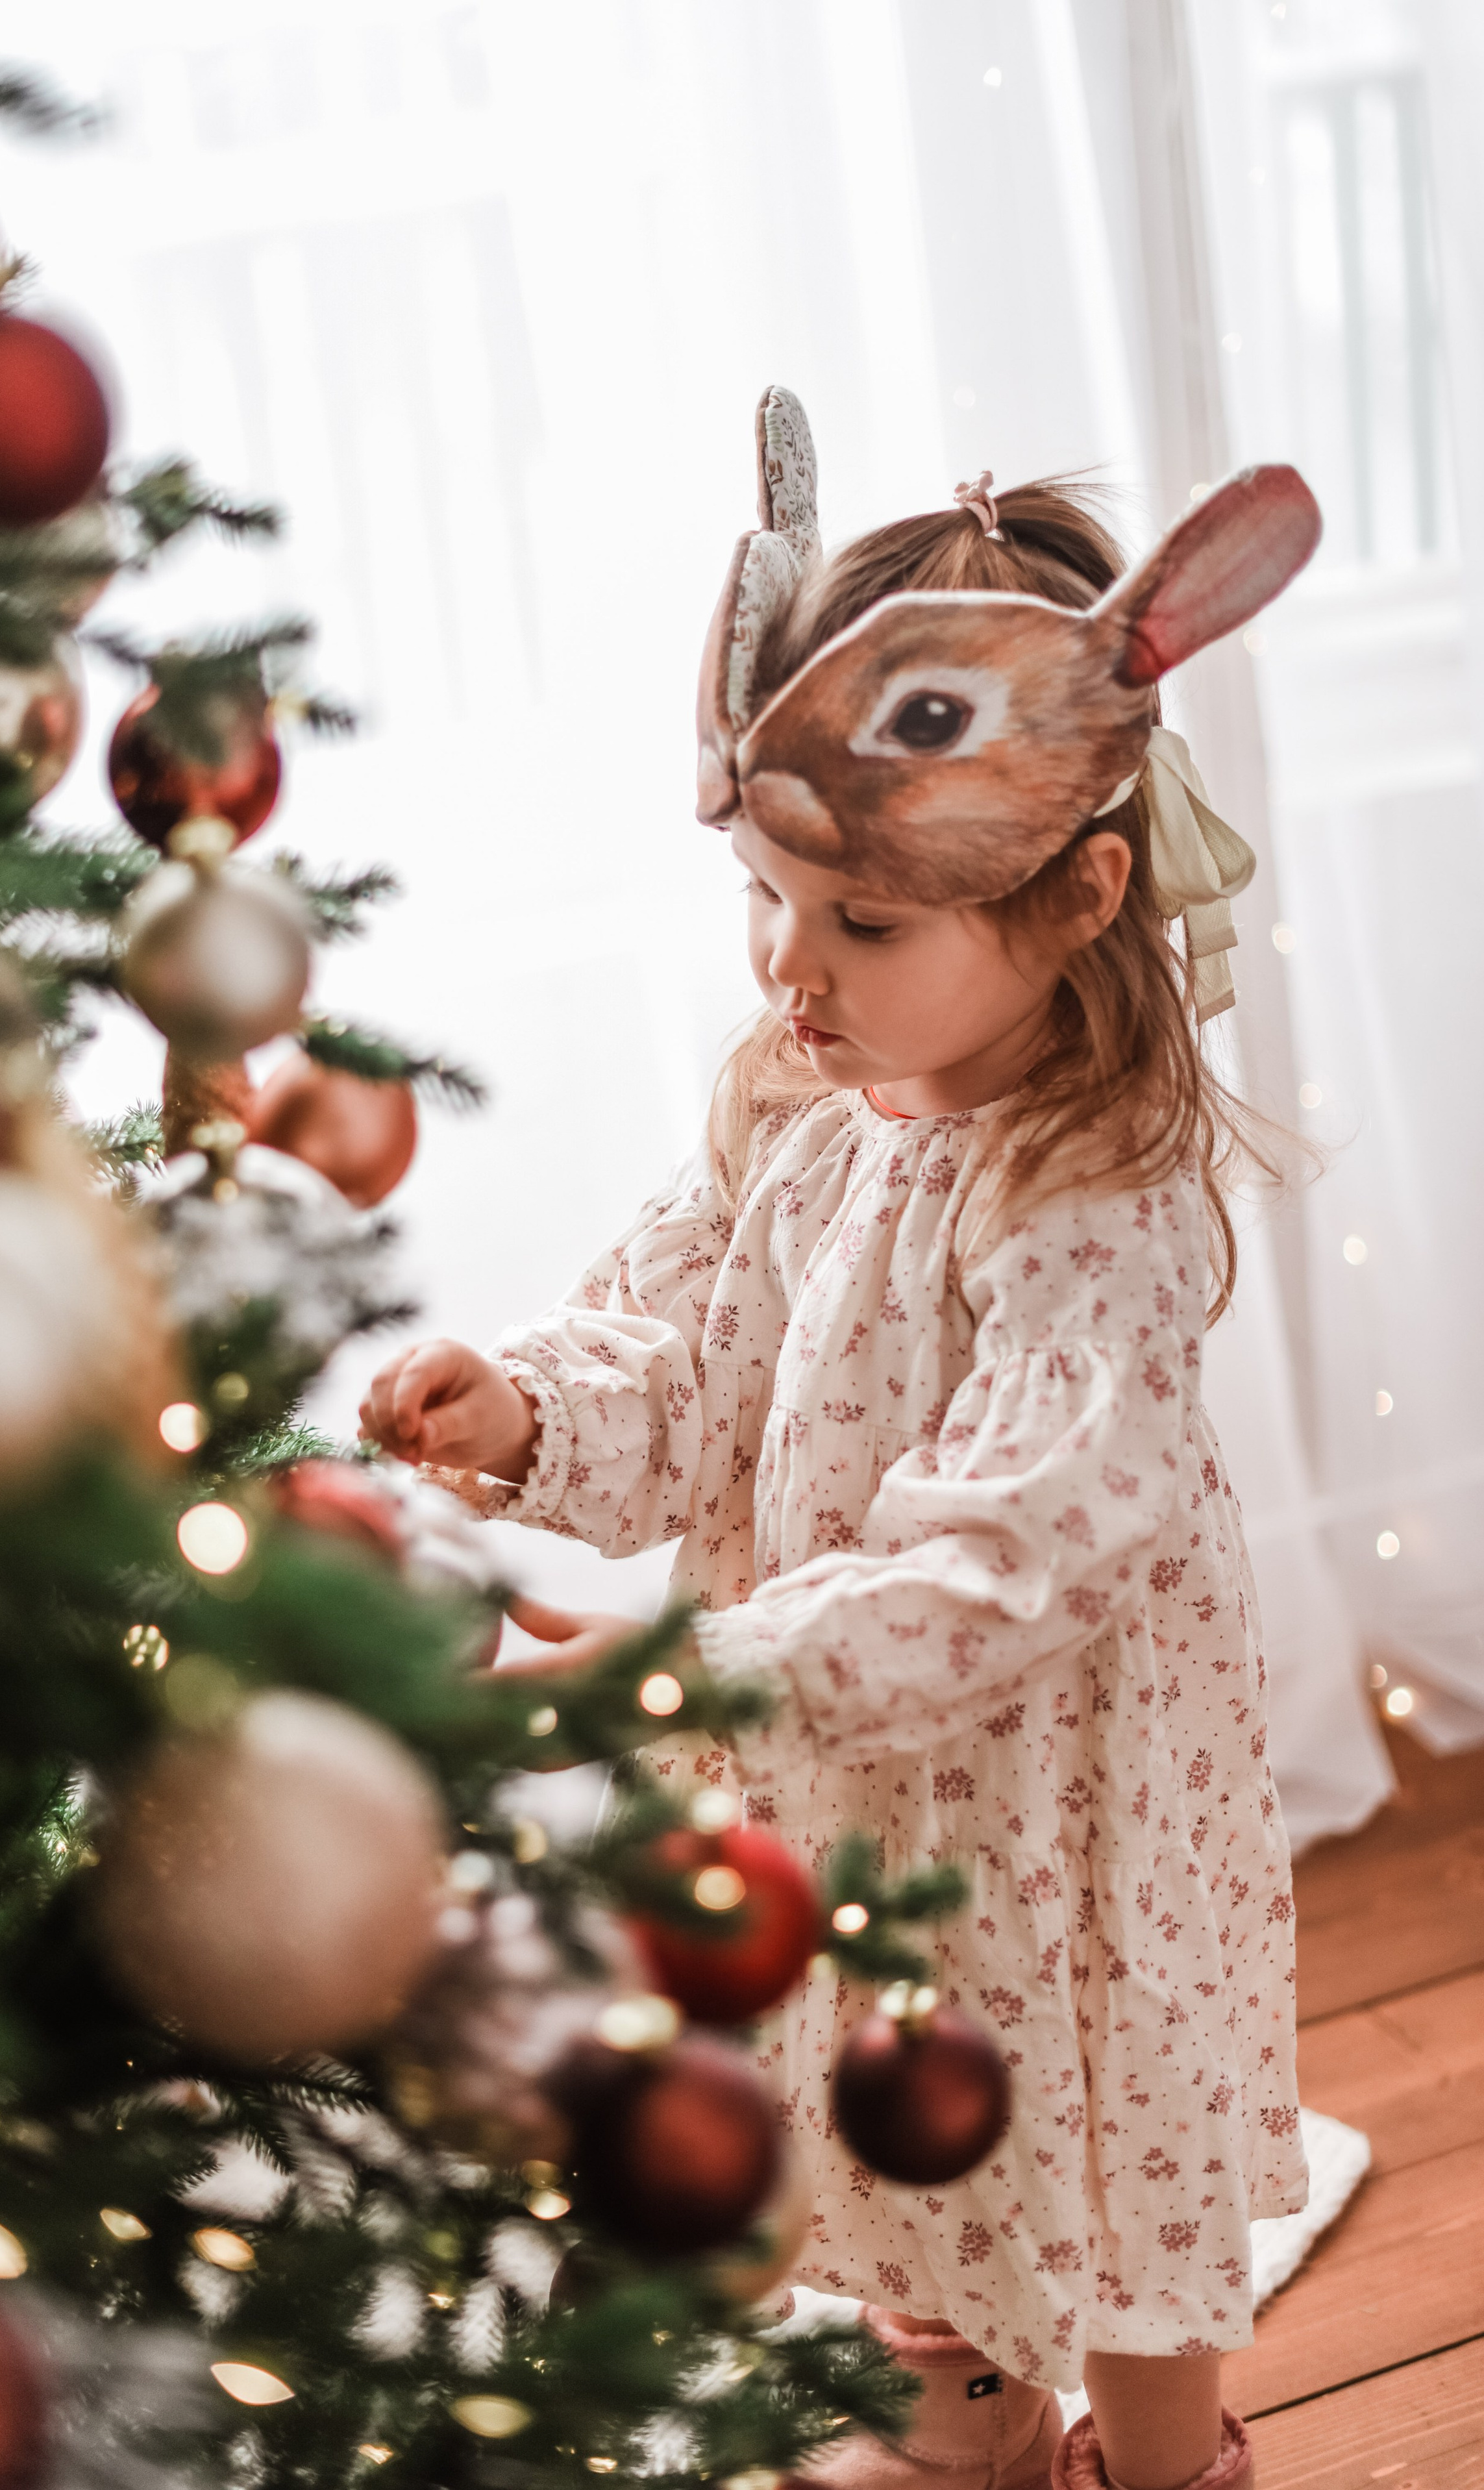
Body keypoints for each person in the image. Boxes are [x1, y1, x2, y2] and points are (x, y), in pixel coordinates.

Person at [362, 393, 1321, 2490]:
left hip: (1062, 1794)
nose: (791, 971)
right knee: (895, 2106)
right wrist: (532, 1415)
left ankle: (1166, 2451)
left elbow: (1016, 1550)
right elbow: (681, 1356)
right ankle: (954, 2393)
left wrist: (710, 1667)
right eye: (768, 899)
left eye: (862, 926)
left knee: (1108, 2144)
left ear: (1076, 899)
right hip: (846, 1758)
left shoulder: (1092, 1190)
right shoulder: (793, 1108)